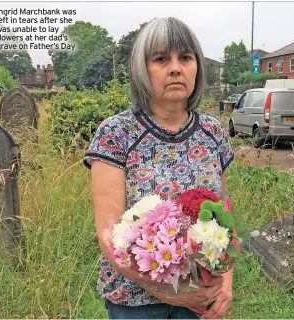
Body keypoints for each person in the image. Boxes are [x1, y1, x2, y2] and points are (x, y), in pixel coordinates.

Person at [83, 17, 235, 319]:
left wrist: (225, 281)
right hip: (136, 301)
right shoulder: (116, 133)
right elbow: (109, 232)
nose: (176, 68)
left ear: (197, 67)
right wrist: (169, 292)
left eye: (185, 58)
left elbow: (223, 216)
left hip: (201, 299)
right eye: (162, 58)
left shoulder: (213, 133)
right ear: (143, 68)